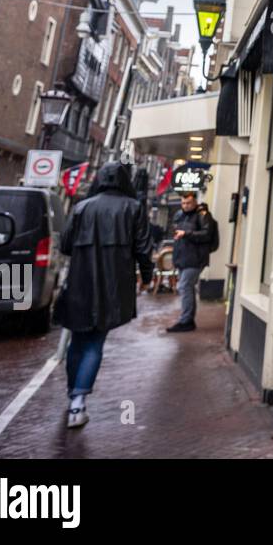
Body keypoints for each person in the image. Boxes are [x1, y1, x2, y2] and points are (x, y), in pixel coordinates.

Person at [53, 161, 154, 429]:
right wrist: (147, 276)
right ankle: (79, 403)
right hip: (113, 285)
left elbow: (64, 245)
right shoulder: (133, 208)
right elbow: (144, 247)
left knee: (77, 340)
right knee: (96, 342)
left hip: (80, 282)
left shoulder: (82, 207)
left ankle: (73, 394)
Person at [166, 191, 215, 333]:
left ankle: (185, 320)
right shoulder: (179, 215)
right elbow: (175, 232)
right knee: (187, 288)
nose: (185, 206)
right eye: (183, 203)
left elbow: (207, 234)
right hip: (183, 258)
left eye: (188, 203)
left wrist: (187, 234)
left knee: (184, 286)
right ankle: (188, 320)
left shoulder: (202, 215)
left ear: (195, 202)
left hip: (196, 258)